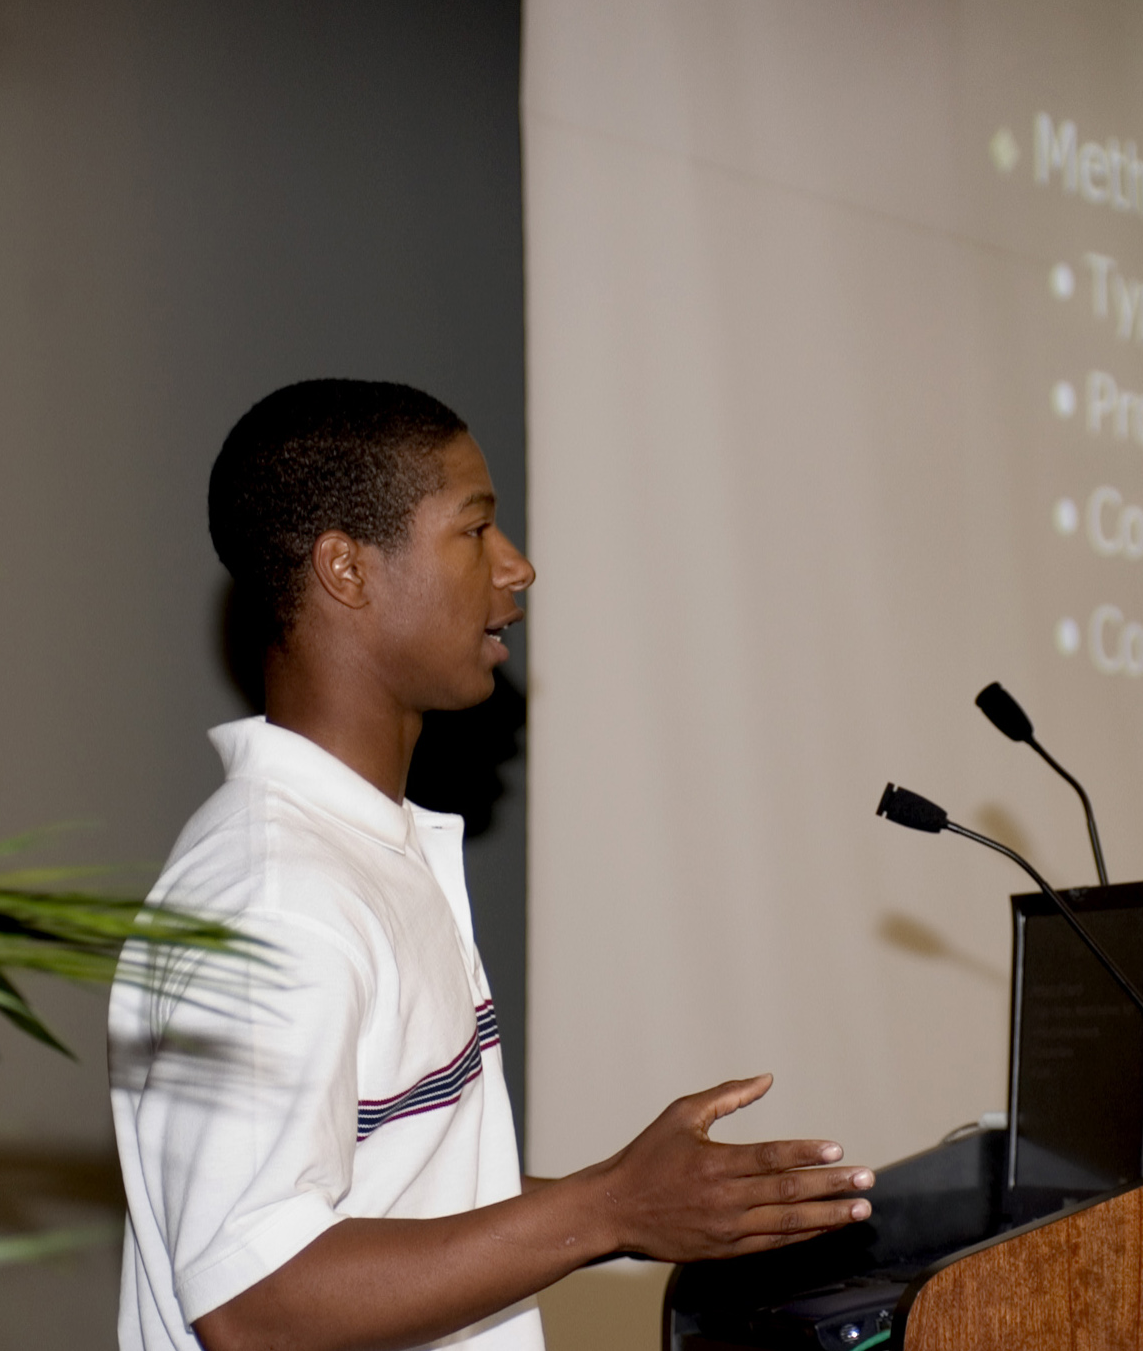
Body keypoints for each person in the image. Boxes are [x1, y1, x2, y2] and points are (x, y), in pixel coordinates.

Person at [109, 380, 872, 1351]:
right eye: (475, 531)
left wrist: (676, 1206)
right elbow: (256, 1303)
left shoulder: (359, 849)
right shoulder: (277, 892)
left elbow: (400, 1186)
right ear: (346, 569)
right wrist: (605, 1211)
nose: (517, 568)